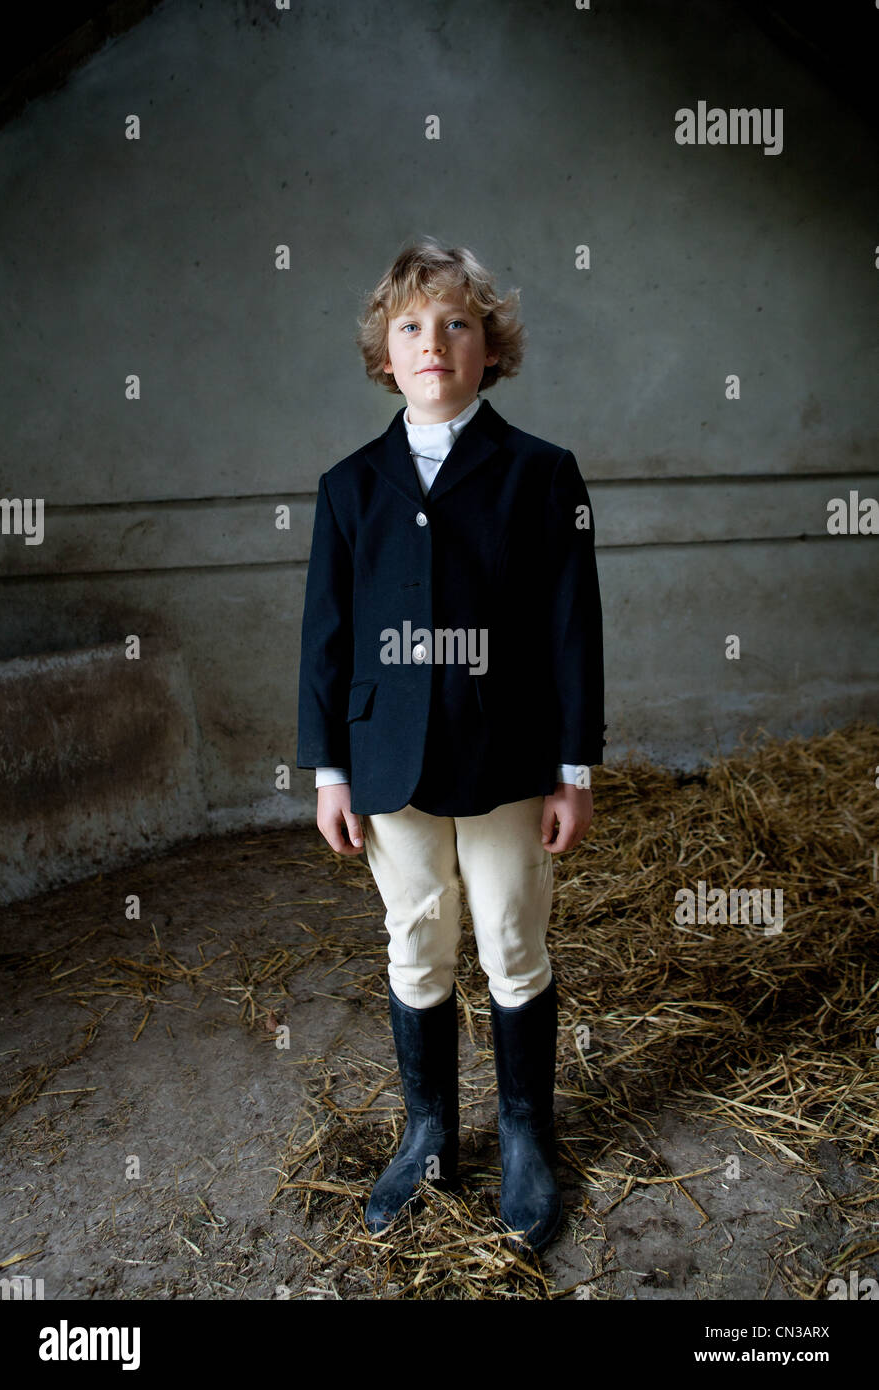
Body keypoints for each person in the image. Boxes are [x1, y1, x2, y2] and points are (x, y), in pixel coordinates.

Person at [296, 236, 605, 1254]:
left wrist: (573, 766)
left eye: (457, 322)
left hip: (509, 756)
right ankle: (428, 1132)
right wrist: (329, 769)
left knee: (513, 939)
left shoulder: (541, 473)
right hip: (388, 761)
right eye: (411, 325)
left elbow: (570, 625)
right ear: (386, 353)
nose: (434, 341)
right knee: (415, 938)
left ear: (491, 347)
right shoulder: (348, 486)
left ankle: (525, 1132)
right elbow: (326, 638)